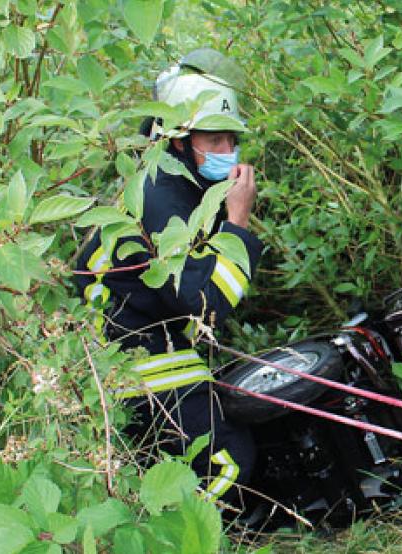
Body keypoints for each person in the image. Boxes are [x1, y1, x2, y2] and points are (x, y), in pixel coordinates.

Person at [75, 49, 262, 510]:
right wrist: (238, 220)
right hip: (127, 359)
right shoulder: (158, 196)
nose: (227, 154)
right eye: (214, 141)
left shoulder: (178, 183)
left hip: (156, 346)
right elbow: (208, 302)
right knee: (231, 463)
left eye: (230, 141)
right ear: (177, 140)